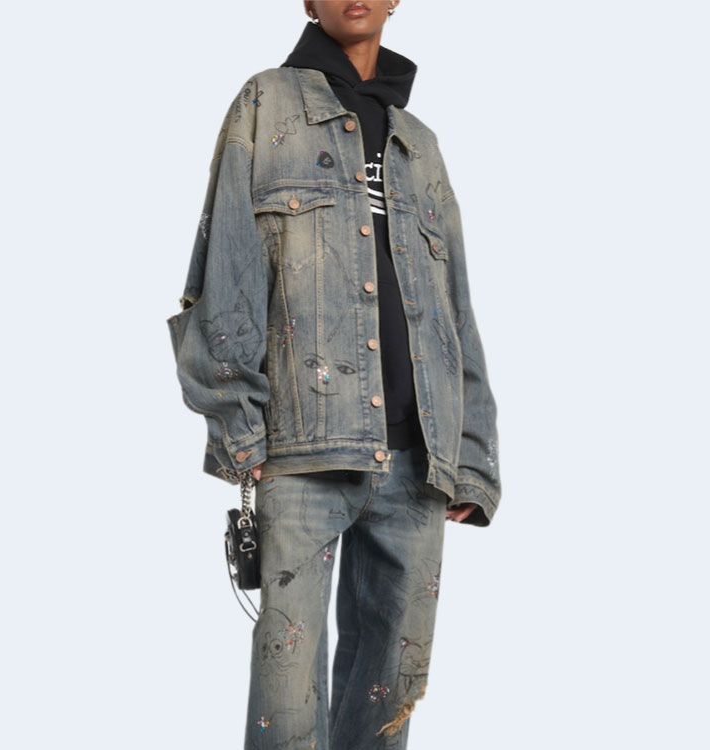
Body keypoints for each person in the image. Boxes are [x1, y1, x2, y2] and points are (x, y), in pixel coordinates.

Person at [166, 1, 502, 747]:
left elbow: (454, 306)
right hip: (302, 445)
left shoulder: (421, 143)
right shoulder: (266, 103)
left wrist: (472, 456)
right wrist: (237, 420)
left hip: (419, 456)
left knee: (388, 698)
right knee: (287, 701)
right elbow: (225, 263)